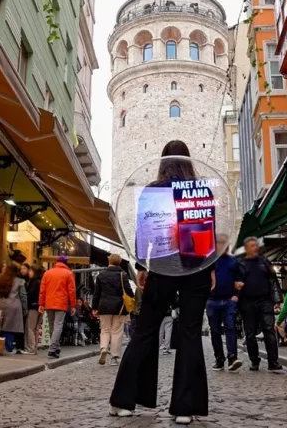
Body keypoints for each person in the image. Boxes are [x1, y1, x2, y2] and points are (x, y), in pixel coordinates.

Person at [110, 140, 213, 425]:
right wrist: (210, 267)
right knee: (191, 334)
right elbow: (206, 233)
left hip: (163, 267)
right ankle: (184, 408)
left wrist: (142, 266)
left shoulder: (153, 190)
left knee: (145, 332)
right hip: (196, 267)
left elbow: (145, 232)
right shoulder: (199, 190)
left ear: (163, 162)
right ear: (188, 161)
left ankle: (124, 402)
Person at [236, 237, 283, 371]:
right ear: (246, 249)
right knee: (250, 333)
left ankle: (273, 361)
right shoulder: (241, 264)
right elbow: (237, 283)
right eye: (252, 246)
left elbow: (273, 280)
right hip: (247, 302)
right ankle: (254, 360)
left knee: (269, 329)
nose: (255, 248)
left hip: (265, 301)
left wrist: (277, 299)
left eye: (256, 245)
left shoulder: (265, 261)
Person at [206, 233, 243, 371]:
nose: (224, 245)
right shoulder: (209, 261)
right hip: (212, 301)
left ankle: (232, 357)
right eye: (221, 242)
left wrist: (237, 295)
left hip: (229, 300)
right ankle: (219, 358)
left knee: (230, 328)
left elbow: (240, 280)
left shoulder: (233, 261)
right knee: (215, 331)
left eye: (226, 243)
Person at [92, 254, 134, 366]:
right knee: (117, 331)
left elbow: (97, 293)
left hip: (104, 305)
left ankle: (104, 348)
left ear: (109, 261)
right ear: (119, 263)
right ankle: (114, 357)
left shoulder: (101, 275)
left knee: (105, 330)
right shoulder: (123, 274)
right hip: (119, 307)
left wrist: (95, 307)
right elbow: (129, 291)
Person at [39, 256, 77, 359]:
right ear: (66, 263)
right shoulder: (68, 273)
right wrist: (73, 305)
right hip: (61, 303)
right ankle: (52, 350)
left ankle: (56, 348)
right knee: (58, 326)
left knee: (52, 326)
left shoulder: (47, 273)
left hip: (49, 303)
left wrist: (41, 304)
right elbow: (71, 291)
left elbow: (43, 289)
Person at [0, 265, 27, 353]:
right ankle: (8, 346)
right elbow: (23, 296)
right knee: (11, 327)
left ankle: (0, 345)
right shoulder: (19, 281)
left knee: (1, 327)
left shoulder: (0, 279)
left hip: (1, 304)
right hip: (14, 305)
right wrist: (25, 309)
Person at [24, 265, 43, 354]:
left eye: (31, 271)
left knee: (30, 328)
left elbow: (30, 295)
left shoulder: (34, 282)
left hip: (33, 307)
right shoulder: (40, 281)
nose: (29, 272)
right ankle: (35, 348)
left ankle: (30, 348)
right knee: (36, 328)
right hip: (39, 307)